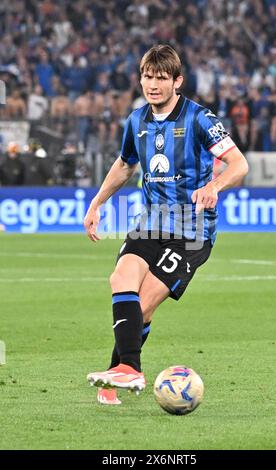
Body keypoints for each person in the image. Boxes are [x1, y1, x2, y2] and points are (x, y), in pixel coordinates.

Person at [84, 45, 248, 405]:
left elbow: (239, 164)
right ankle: (128, 370)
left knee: (142, 306)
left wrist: (213, 186)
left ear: (177, 81)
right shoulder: (136, 121)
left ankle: (120, 375)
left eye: (161, 78)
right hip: (151, 221)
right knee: (120, 279)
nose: (153, 85)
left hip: (192, 231)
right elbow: (125, 165)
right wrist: (97, 202)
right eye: (147, 77)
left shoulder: (200, 118)